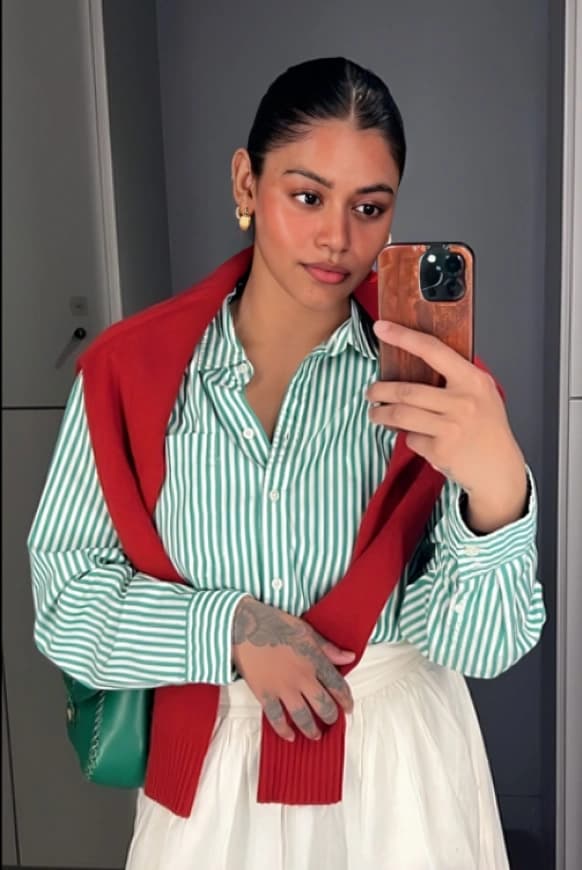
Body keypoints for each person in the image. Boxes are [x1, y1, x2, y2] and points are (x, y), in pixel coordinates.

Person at [28, 57, 546, 869]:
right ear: (247, 181)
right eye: (307, 196)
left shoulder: (440, 390)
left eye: (369, 207)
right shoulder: (127, 375)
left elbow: (481, 647)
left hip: (399, 783)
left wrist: (498, 490)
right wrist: (230, 628)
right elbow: (65, 605)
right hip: (211, 785)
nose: (338, 238)